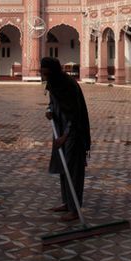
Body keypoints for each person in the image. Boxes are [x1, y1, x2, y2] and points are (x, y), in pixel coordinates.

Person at [40, 56, 91, 222]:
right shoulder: (54, 83)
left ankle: (75, 209)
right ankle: (67, 203)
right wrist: (49, 110)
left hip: (73, 133)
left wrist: (65, 136)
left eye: (47, 73)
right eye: (43, 73)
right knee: (63, 167)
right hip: (60, 129)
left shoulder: (67, 85)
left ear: (54, 71)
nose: (45, 76)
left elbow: (75, 114)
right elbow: (52, 103)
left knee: (73, 170)